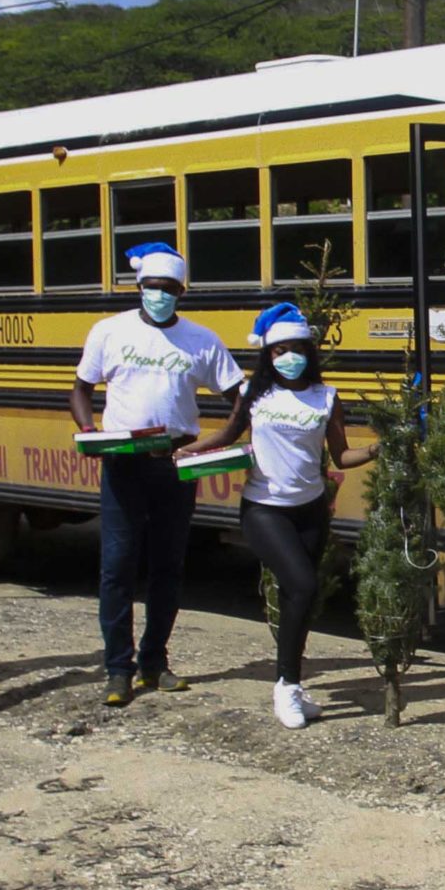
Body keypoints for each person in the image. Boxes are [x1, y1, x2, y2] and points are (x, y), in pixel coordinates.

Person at [177, 303, 371, 730]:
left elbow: (342, 454)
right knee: (303, 584)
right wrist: (189, 452)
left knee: (296, 599)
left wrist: (377, 449)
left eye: (295, 349)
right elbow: (228, 434)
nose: (288, 357)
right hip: (264, 509)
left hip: (311, 510)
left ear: (308, 350)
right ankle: (285, 687)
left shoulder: (326, 397)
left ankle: (294, 686)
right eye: (278, 350)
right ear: (267, 355)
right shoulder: (255, 395)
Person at [72, 244, 244, 709]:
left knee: (168, 566)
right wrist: (90, 432)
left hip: (174, 462)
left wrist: (213, 442)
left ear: (181, 292)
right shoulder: (110, 331)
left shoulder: (202, 341)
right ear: (139, 287)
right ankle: (117, 668)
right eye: (152, 288)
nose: (160, 296)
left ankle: (155, 661)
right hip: (124, 460)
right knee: (118, 566)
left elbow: (239, 396)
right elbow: (82, 389)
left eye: (169, 289)